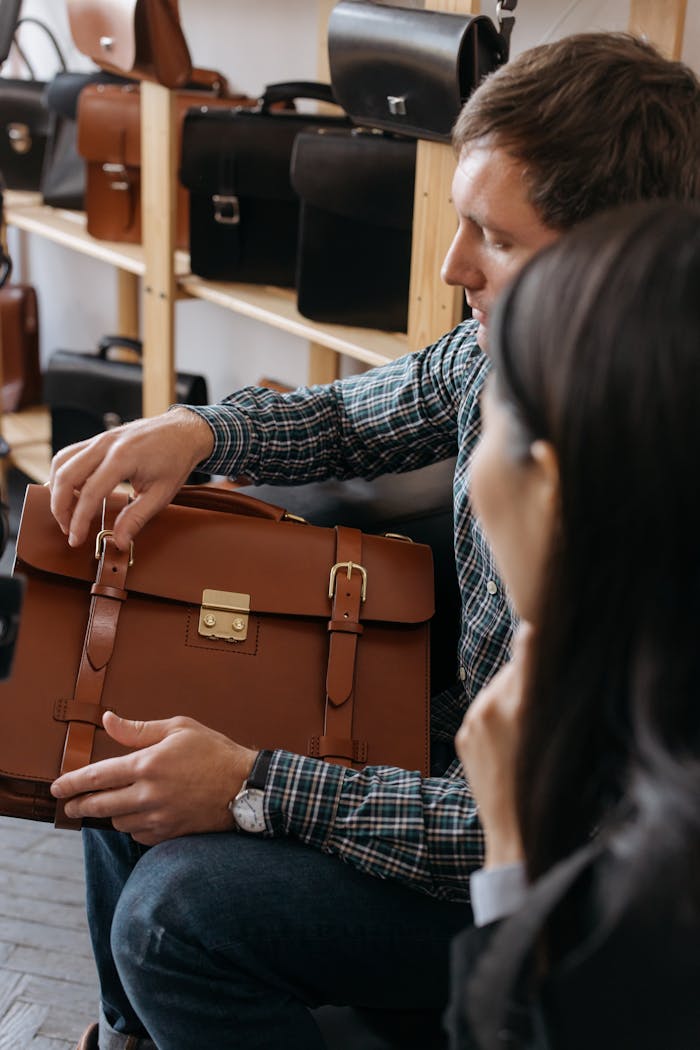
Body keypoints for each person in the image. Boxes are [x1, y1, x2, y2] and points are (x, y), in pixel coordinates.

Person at [47, 34, 700, 1050]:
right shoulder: (499, 359)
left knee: (176, 913)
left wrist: (256, 786)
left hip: (522, 871)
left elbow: (552, 852)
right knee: (134, 749)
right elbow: (361, 412)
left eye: (497, 236)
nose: (450, 265)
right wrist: (203, 431)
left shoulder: (656, 532)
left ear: (611, 259)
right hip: (459, 765)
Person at [446, 199, 700, 1049]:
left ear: (551, 490)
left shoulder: (657, 897)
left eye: (499, 235)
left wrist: (512, 843)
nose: (458, 266)